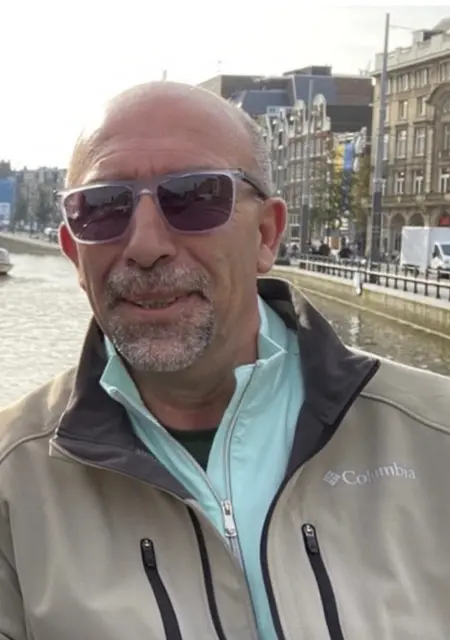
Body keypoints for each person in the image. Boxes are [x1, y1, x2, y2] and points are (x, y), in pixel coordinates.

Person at [0, 82, 449, 640]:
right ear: (74, 253)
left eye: (193, 198)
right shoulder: (13, 483)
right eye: (102, 209)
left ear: (266, 234)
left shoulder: (435, 437)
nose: (145, 245)